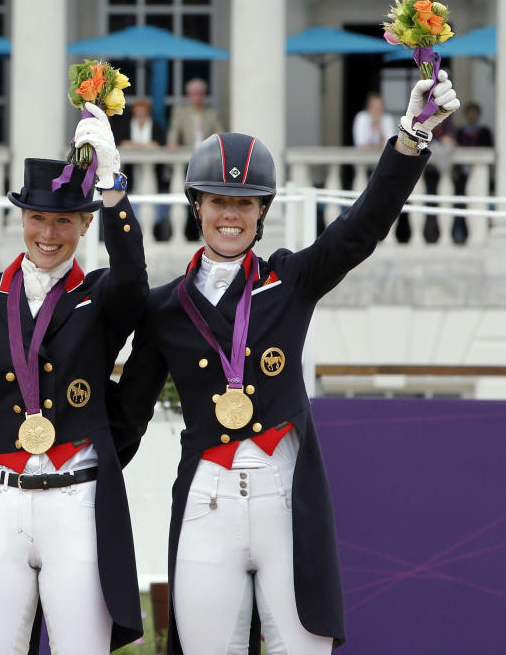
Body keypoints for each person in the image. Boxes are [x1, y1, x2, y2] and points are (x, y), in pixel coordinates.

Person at [111, 73, 459, 654]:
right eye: (219, 201)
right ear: (197, 206)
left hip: (285, 502)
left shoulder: (289, 280)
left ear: (261, 211)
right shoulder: (164, 308)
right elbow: (127, 417)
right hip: (207, 503)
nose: (231, 216)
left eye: (244, 204)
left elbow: (360, 229)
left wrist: (410, 138)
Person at [0, 103, 148, 653]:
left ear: (83, 226)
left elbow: (134, 279)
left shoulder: (99, 296)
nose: (48, 233)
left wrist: (112, 189)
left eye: (63, 221)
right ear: (22, 220)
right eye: (37, 218)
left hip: (76, 501)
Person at [166, 78, 224, 241]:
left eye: (199, 93)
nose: (196, 96)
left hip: (207, 165)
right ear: (189, 94)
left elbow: (220, 134)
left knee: (206, 200)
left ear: (204, 95)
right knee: (187, 200)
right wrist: (172, 142)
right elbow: (174, 130)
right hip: (187, 163)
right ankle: (189, 233)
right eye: (193, 93)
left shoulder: (211, 113)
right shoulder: (181, 112)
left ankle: (204, 234)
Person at [115, 98, 168, 239]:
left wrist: (136, 145)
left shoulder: (155, 126)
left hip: (152, 172)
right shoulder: (127, 126)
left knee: (152, 204)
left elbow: (159, 144)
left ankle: (153, 233)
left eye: (143, 113)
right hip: (132, 173)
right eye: (138, 113)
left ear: (148, 114)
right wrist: (144, 146)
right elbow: (122, 143)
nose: (141, 116)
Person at [452, 102, 494, 244]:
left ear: (478, 115)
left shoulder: (485, 132)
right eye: (469, 113)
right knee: (459, 206)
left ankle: (476, 235)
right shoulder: (460, 132)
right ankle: (459, 235)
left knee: (477, 205)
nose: (472, 116)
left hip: (478, 176)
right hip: (462, 176)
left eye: (474, 113)